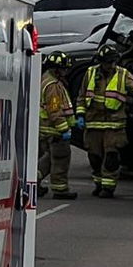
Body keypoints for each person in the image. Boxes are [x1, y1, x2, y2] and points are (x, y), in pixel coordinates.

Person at [75, 45, 133, 198]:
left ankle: (108, 188)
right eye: (108, 62)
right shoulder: (90, 73)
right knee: (94, 157)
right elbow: (82, 96)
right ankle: (99, 183)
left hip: (114, 124)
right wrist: (80, 115)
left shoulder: (122, 74)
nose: (112, 65)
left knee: (111, 157)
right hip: (93, 123)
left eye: (114, 62)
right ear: (101, 62)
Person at [38, 51, 78, 200]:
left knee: (48, 160)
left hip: (46, 129)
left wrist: (73, 122)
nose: (65, 72)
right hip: (54, 131)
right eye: (63, 68)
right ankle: (60, 190)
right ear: (56, 69)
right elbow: (54, 109)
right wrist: (64, 129)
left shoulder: (46, 79)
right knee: (61, 159)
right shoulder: (53, 85)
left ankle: (34, 182)